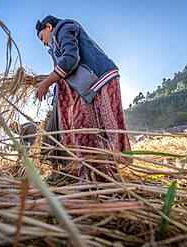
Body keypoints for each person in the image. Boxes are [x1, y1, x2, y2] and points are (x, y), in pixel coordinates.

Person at [35, 15, 131, 181]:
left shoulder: (64, 28)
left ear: (49, 27)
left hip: (99, 80)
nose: (43, 43)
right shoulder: (55, 48)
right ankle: (99, 175)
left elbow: (70, 60)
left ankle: (107, 176)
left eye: (42, 37)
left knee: (100, 129)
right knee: (89, 130)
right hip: (89, 87)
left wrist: (45, 83)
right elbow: (63, 71)